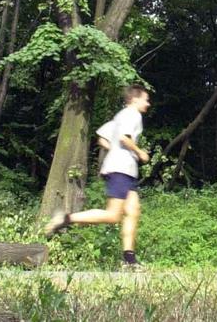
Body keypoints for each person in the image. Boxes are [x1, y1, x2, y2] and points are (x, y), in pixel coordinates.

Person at [45, 84, 151, 270]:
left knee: (133, 211)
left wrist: (115, 151)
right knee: (113, 215)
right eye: (145, 99)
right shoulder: (132, 114)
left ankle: (129, 259)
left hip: (124, 168)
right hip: (121, 169)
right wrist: (140, 152)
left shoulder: (119, 117)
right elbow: (125, 139)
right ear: (134, 99)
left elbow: (102, 137)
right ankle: (65, 219)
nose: (148, 103)